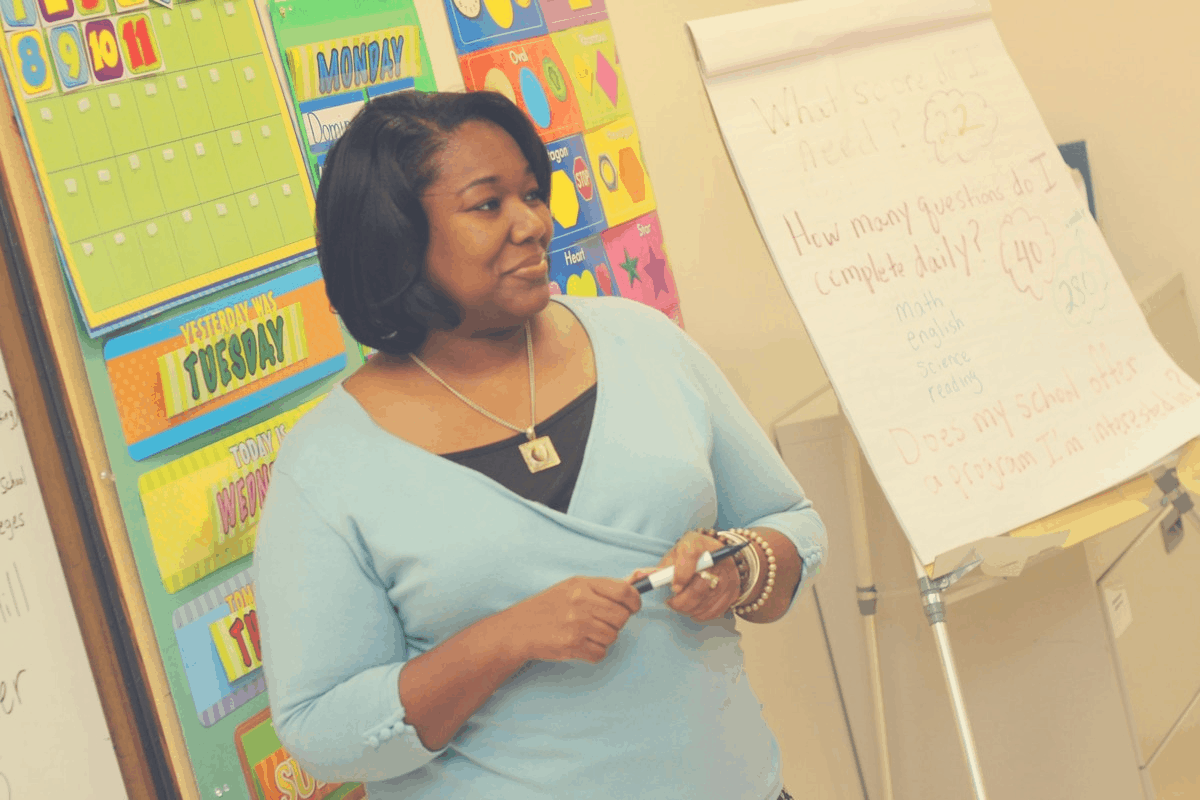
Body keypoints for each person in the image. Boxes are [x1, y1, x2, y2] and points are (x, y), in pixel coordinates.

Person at [253, 90, 826, 800]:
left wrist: (740, 568)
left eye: (532, 192)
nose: (534, 224)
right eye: (488, 204)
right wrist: (507, 639)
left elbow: (792, 523)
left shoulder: (644, 343)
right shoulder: (328, 464)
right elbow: (322, 731)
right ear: (394, 235)